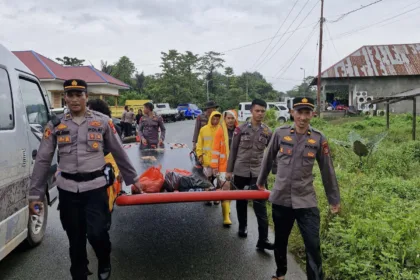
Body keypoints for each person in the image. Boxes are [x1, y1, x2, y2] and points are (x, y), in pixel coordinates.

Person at [28, 79, 143, 280]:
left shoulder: (103, 122)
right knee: (75, 236)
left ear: (86, 97)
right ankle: (79, 271)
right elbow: (43, 160)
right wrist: (35, 195)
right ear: (65, 97)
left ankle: (104, 259)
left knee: (97, 233)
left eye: (78, 95)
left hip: (95, 188)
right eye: (70, 95)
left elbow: (118, 152)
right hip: (68, 189)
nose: (74, 100)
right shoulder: (55, 125)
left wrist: (133, 180)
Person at [256, 97, 341, 280]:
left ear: (312, 114)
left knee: (312, 244)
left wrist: (334, 199)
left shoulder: (319, 138)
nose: (303, 117)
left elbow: (328, 170)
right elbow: (268, 158)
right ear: (292, 113)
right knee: (280, 240)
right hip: (281, 198)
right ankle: (280, 273)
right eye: (299, 112)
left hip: (306, 200)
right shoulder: (280, 133)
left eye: (307, 113)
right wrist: (261, 182)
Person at [226, 99, 274, 251]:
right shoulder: (240, 129)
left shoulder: (267, 131)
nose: (260, 114)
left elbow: (273, 152)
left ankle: (263, 239)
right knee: (241, 201)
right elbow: (233, 150)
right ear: (251, 111)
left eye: (262, 111)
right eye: (257, 111)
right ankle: (243, 227)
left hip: (258, 173)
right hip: (240, 170)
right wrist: (229, 170)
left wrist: (275, 172)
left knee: (260, 206)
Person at [211, 109, 238, 226]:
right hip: (223, 165)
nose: (230, 121)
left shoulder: (239, 131)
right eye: (228, 118)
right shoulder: (220, 131)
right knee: (225, 188)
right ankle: (226, 217)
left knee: (231, 189)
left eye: (232, 118)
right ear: (225, 119)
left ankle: (227, 208)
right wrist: (214, 166)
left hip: (236, 166)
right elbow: (215, 149)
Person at [196, 111, 222, 205]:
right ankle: (207, 198)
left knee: (218, 180)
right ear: (210, 118)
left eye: (217, 119)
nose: (215, 121)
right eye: (213, 119)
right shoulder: (203, 129)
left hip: (218, 161)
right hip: (206, 160)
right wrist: (199, 155)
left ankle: (217, 198)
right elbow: (200, 144)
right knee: (207, 180)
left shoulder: (222, 129)